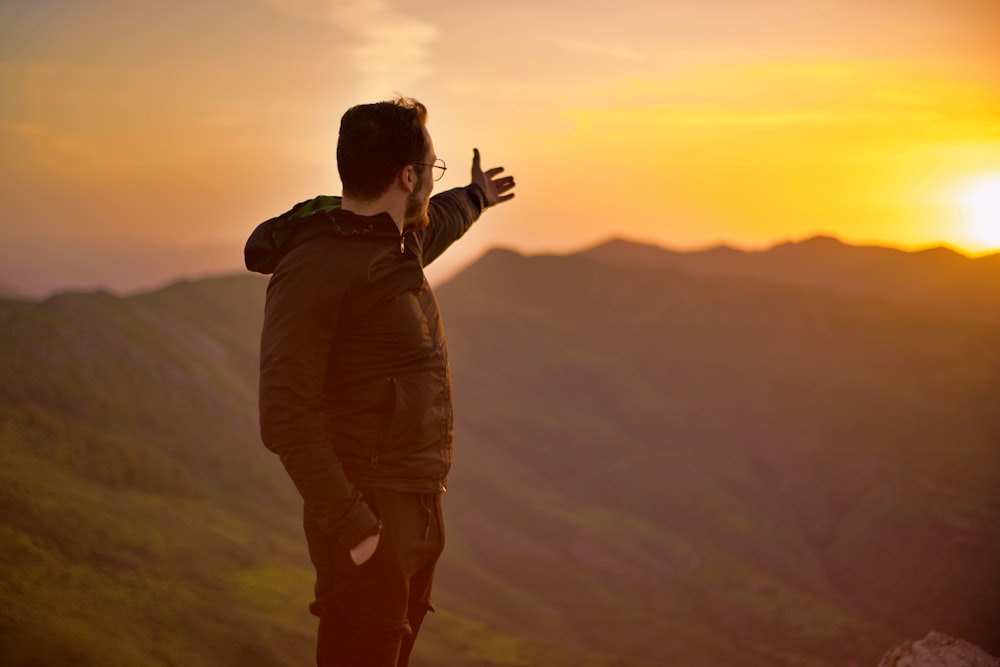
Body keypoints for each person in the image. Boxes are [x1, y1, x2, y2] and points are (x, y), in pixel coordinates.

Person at [243, 96, 515, 666]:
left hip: (413, 508)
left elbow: (437, 220)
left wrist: (475, 197)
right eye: (432, 168)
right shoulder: (317, 264)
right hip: (368, 515)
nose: (432, 181)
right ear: (408, 175)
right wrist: (357, 527)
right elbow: (285, 412)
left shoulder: (396, 241)